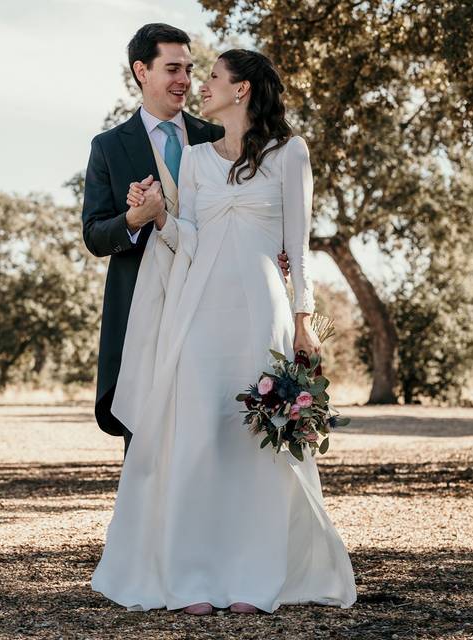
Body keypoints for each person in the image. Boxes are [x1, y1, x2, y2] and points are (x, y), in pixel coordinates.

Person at [90, 48, 358, 615]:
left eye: (212, 76)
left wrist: (306, 321)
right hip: (199, 311)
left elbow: (299, 247)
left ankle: (254, 577)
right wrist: (158, 214)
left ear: (242, 90)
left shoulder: (291, 153)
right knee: (199, 437)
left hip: (262, 313)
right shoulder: (192, 158)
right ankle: (191, 577)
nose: (199, 84)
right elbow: (186, 241)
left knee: (256, 444)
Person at [81, 23, 290, 459]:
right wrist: (134, 219)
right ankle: (150, 523)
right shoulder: (107, 147)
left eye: (190, 69)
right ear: (141, 71)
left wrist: (274, 250)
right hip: (143, 302)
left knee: (212, 421)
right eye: (172, 68)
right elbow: (95, 235)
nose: (185, 81)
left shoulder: (217, 134)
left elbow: (259, 203)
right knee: (143, 423)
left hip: (213, 302)